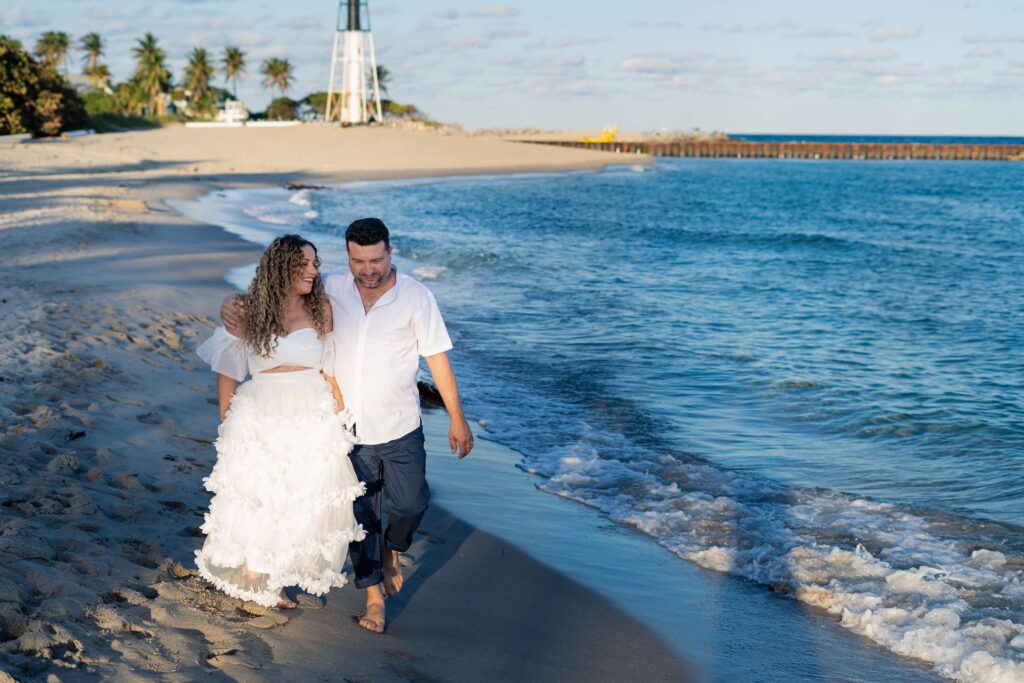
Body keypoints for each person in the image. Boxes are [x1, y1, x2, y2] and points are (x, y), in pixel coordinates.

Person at [221, 217, 473, 633]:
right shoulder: (330, 288)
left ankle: (393, 549)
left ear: (390, 253)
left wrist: (457, 417)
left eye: (376, 260)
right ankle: (373, 600)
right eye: (359, 261)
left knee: (410, 505)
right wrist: (231, 302)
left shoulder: (417, 296)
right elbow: (276, 292)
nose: (368, 269)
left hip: (400, 425)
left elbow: (437, 358)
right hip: (348, 430)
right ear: (348, 257)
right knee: (360, 517)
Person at [195, 234, 365, 609]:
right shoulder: (248, 309)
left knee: (301, 494)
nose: (312, 270)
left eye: (315, 263)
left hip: (311, 409)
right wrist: (228, 417)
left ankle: (276, 573)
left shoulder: (321, 307)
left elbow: (332, 365)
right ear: (280, 266)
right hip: (262, 409)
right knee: (262, 492)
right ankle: (256, 571)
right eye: (303, 263)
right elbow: (229, 365)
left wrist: (341, 416)